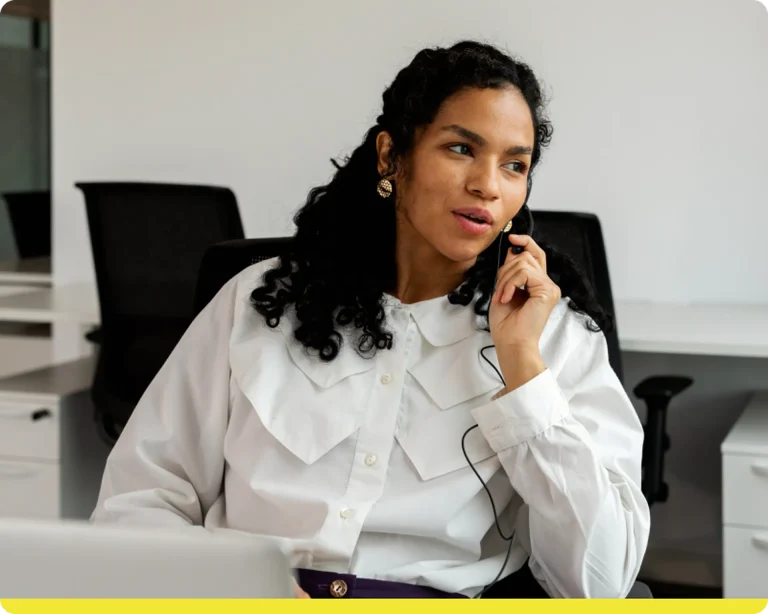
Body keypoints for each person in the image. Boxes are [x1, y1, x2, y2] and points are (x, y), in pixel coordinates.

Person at [91, 40, 650, 599]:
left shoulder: (551, 334)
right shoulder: (258, 303)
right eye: (460, 148)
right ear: (390, 157)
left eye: (514, 165)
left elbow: (601, 584)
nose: (488, 184)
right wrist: (227, 588)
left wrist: (524, 370)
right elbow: (138, 500)